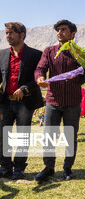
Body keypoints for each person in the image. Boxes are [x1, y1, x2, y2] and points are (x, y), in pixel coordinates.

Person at [34, 19, 85, 181]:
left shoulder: (80, 53)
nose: (59, 32)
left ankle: (67, 169)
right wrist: (40, 78)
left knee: (70, 136)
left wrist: (74, 81)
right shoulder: (49, 51)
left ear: (73, 33)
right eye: (58, 30)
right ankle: (49, 168)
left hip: (73, 102)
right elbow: (40, 68)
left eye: (63, 29)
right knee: (49, 136)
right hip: (53, 101)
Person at [0, 22, 43, 180]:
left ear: (22, 35)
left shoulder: (35, 54)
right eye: (6, 33)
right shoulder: (2, 54)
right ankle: (4, 167)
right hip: (4, 102)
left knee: (22, 136)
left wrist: (25, 89)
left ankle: (19, 168)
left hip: (25, 103)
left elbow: (38, 78)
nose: (8, 36)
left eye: (11, 33)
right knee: (3, 136)